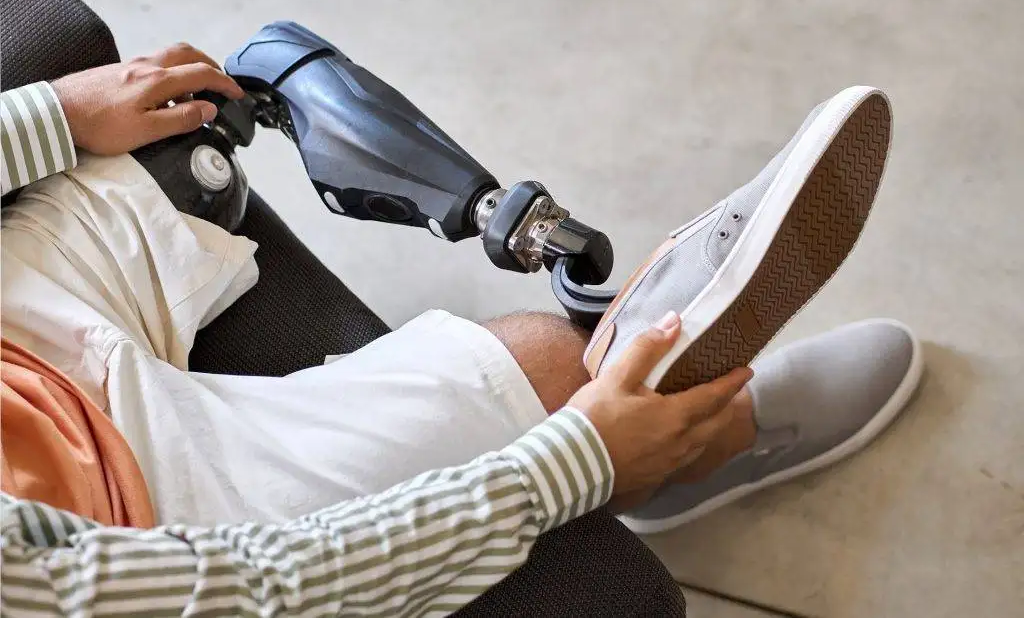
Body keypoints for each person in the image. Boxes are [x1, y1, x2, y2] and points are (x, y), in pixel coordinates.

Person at [0, 44, 922, 616]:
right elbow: (255, 593)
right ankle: (703, 440)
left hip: (20, 335)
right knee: (553, 366)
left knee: (186, 146)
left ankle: (654, 389)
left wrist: (55, 114)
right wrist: (575, 463)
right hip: (129, 528)